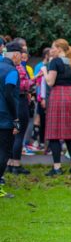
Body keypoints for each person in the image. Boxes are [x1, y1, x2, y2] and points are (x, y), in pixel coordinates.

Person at [43, 39, 71, 176]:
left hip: (58, 97)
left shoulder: (54, 62)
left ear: (59, 48)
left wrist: (44, 71)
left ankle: (57, 167)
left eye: (53, 47)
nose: (51, 50)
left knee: (54, 133)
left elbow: (50, 82)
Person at [0, 42, 23, 197]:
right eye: (21, 55)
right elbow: (9, 93)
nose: (21, 58)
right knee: (4, 151)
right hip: (5, 117)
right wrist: (15, 117)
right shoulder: (12, 71)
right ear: (15, 55)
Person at [7, 38, 33, 175]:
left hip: (16, 103)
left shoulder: (9, 67)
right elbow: (24, 85)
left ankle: (10, 163)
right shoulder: (20, 69)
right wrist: (36, 78)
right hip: (21, 104)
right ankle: (16, 164)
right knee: (19, 133)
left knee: (14, 134)